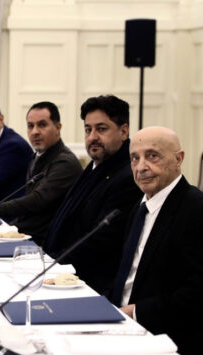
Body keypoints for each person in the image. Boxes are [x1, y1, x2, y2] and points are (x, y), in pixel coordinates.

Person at [111, 126, 203, 355]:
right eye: (135, 158)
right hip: (124, 330)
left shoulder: (198, 210)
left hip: (171, 342)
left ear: (178, 159)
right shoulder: (140, 207)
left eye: (152, 156)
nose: (141, 167)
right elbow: (128, 277)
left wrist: (136, 313)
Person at [42, 95, 142, 294]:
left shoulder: (127, 176)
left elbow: (101, 242)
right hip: (62, 272)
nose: (92, 137)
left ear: (123, 131)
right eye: (88, 130)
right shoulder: (98, 165)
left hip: (88, 285)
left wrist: (54, 266)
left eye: (101, 129)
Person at [0, 102, 82, 245]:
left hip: (45, 244)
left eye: (42, 125)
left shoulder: (65, 162)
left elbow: (37, 200)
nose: (35, 131)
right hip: (28, 235)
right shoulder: (38, 155)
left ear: (58, 128)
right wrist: (8, 229)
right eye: (30, 126)